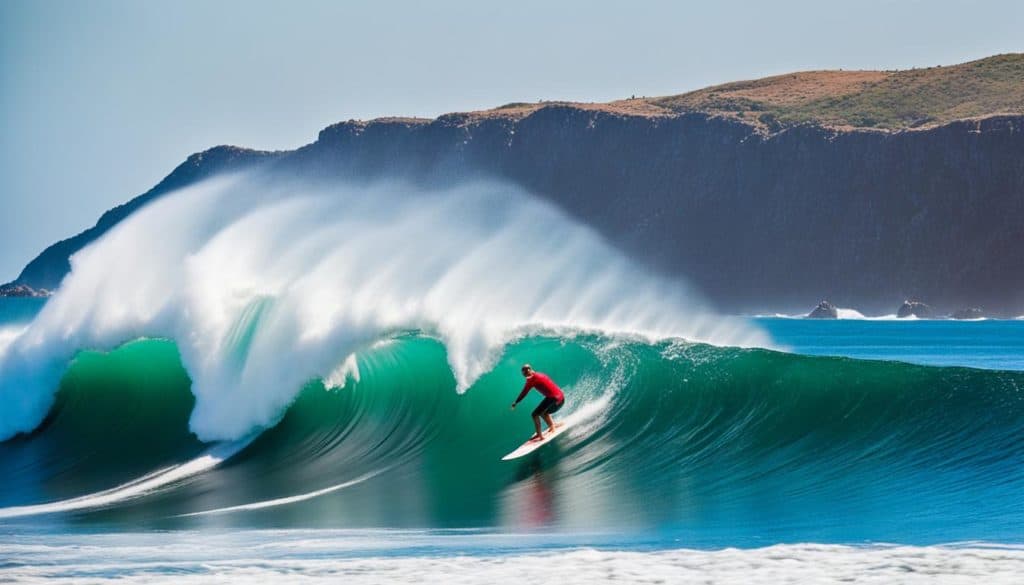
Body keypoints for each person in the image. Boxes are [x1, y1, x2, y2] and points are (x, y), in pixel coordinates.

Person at [510, 364, 565, 442]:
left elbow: (524, 392)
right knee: (543, 412)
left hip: (555, 399)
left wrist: (516, 402)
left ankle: (540, 435)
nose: (524, 375)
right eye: (523, 374)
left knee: (534, 414)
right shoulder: (539, 374)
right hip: (560, 397)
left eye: (525, 373)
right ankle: (552, 425)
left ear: (529, 370)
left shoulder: (533, 379)